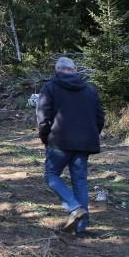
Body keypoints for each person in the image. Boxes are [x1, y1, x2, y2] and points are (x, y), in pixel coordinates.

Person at [36, 57, 105, 235]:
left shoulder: (50, 87)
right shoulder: (89, 89)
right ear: (74, 70)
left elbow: (43, 117)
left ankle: (74, 208)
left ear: (57, 69)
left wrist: (46, 137)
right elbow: (100, 117)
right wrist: (90, 136)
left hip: (59, 141)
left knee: (51, 175)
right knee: (80, 181)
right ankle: (81, 228)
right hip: (84, 143)